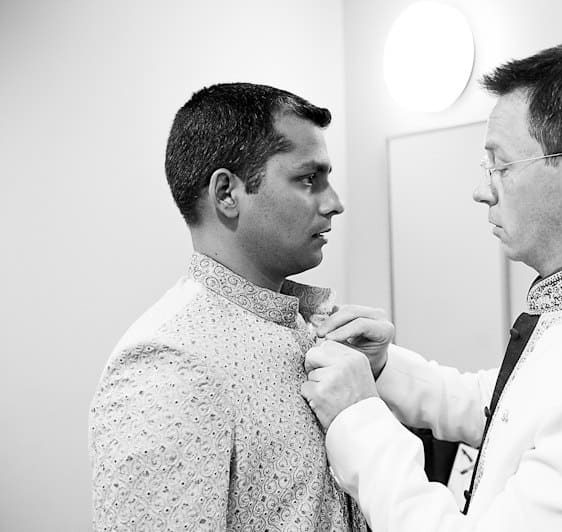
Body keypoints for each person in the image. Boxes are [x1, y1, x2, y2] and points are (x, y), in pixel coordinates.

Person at [300, 42, 562, 531]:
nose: (482, 191)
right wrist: (382, 368)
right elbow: (510, 411)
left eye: (499, 166)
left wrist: (358, 419)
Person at [89, 83, 367, 531]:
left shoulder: (308, 326)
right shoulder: (170, 365)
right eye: (308, 179)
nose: (334, 203)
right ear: (226, 193)